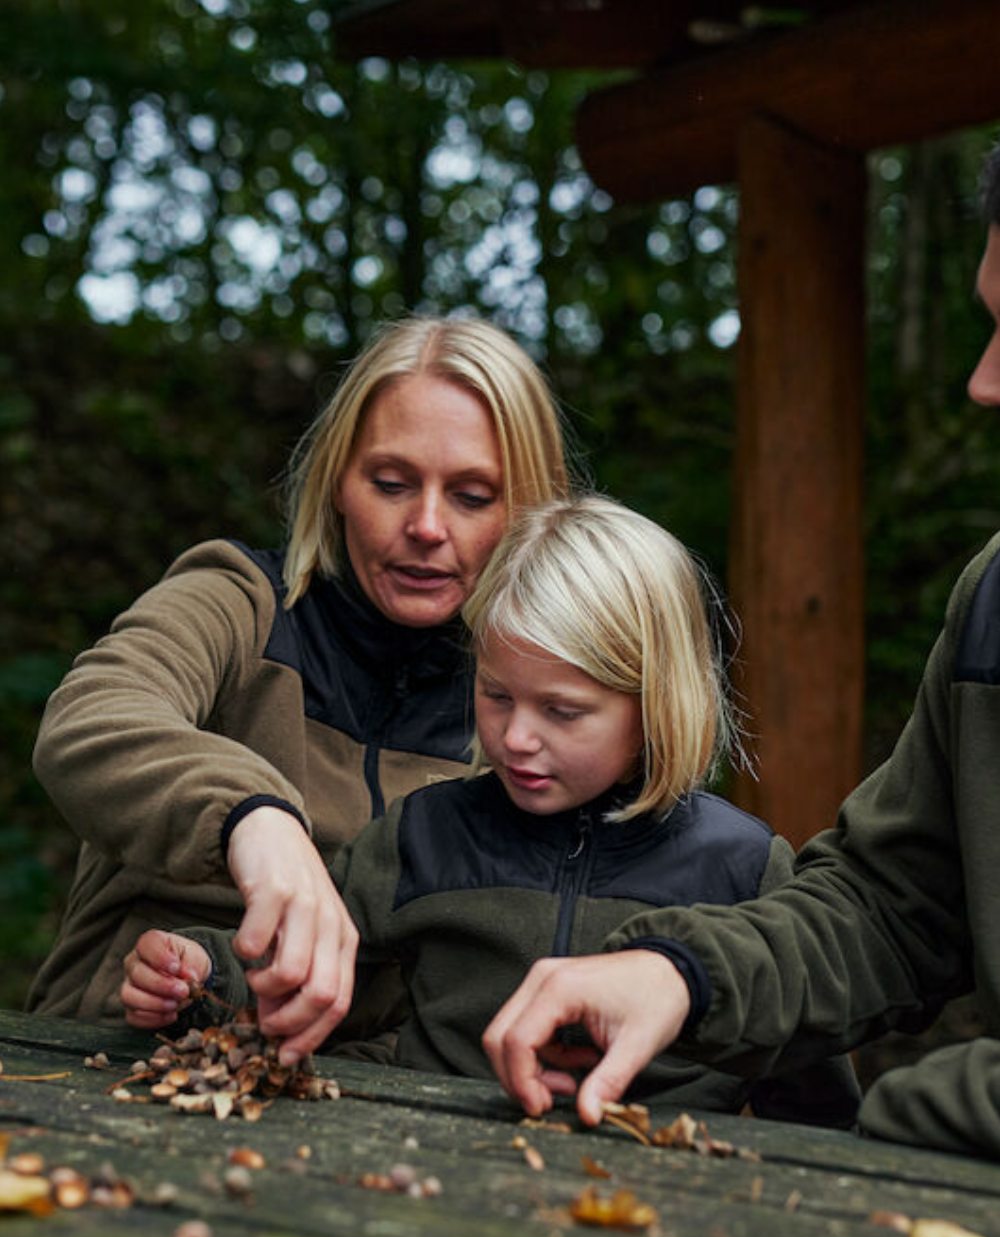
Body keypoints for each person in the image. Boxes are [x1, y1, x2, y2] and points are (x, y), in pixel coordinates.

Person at [482, 141, 1000, 1156]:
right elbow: (889, 907)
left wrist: (891, 1123)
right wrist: (681, 973)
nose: (982, 384)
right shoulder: (992, 602)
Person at [121, 495, 860, 1126]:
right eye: (496, 694)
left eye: (564, 711)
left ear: (656, 706)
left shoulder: (743, 865)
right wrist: (202, 973)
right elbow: (305, 965)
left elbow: (811, 1080)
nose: (516, 737)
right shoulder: (424, 833)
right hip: (429, 1159)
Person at [28, 314, 570, 1067]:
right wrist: (253, 819)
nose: (426, 525)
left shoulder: (528, 707)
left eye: (473, 497)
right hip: (105, 1056)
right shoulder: (237, 602)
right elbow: (91, 718)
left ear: (530, 514)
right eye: (391, 482)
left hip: (373, 1098)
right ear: (338, 481)